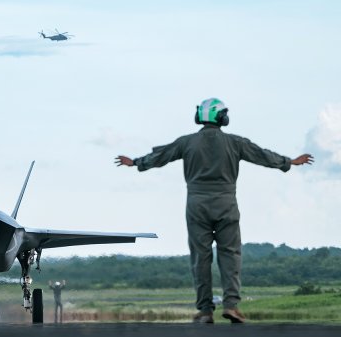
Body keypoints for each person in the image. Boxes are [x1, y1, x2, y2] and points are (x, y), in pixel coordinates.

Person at [115, 98, 314, 324]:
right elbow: (262, 155)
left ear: (200, 117)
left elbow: (161, 156)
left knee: (200, 258)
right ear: (222, 118)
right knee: (230, 255)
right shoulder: (235, 142)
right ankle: (231, 305)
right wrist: (289, 162)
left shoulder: (186, 142)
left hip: (196, 204)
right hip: (226, 203)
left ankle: (205, 310)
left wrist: (136, 162)